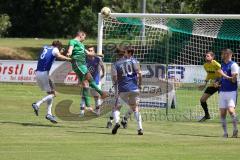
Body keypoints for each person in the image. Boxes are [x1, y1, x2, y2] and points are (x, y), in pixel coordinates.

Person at [66, 31, 108, 113]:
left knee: (86, 83)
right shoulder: (73, 41)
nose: (84, 39)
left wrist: (98, 55)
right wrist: (69, 53)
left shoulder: (81, 45)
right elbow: (70, 49)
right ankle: (102, 93)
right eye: (84, 37)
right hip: (78, 63)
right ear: (80, 35)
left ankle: (88, 106)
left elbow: (88, 53)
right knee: (89, 79)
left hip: (82, 64)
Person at [32, 40, 71, 123]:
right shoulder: (55, 49)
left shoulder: (45, 47)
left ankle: (49, 114)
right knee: (54, 94)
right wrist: (69, 59)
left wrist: (59, 52)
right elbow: (59, 56)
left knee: (50, 93)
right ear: (58, 46)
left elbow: (44, 57)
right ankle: (37, 104)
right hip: (44, 73)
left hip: (38, 72)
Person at [111, 47, 143, 135]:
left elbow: (114, 77)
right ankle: (140, 128)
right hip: (134, 88)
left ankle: (117, 122)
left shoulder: (116, 64)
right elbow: (139, 74)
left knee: (116, 107)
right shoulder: (135, 61)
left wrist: (116, 87)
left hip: (123, 89)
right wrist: (140, 85)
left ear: (126, 52)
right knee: (135, 108)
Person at [198, 51, 231, 122]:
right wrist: (204, 84)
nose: (206, 57)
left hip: (222, 83)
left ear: (212, 57)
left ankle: (232, 117)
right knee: (202, 100)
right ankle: (207, 115)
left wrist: (218, 82)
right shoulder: (205, 65)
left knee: (225, 101)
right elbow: (209, 75)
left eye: (208, 56)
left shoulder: (217, 64)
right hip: (213, 84)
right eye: (206, 56)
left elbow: (223, 74)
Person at [217, 49, 238, 138]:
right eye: (223, 54)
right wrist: (217, 83)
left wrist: (224, 75)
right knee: (222, 113)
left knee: (231, 111)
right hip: (222, 91)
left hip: (232, 91)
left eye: (226, 54)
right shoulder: (221, 65)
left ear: (230, 55)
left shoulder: (233, 65)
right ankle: (225, 133)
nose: (224, 55)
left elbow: (233, 80)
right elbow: (220, 78)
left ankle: (235, 129)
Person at [80, 45, 105, 116]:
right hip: (86, 81)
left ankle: (98, 111)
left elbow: (102, 66)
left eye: (91, 50)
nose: (90, 52)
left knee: (96, 97)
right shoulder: (84, 59)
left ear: (94, 51)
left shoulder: (97, 59)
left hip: (96, 81)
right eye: (89, 50)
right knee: (84, 96)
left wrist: (103, 73)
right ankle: (81, 112)